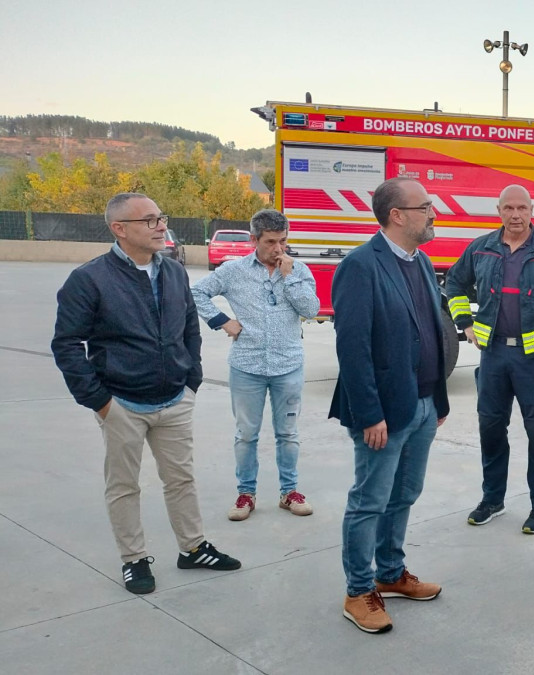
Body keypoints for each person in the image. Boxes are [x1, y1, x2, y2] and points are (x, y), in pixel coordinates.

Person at [51, 192, 241, 596]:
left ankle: (192, 548)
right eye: (149, 220)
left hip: (175, 398)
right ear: (119, 229)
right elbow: (67, 345)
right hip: (122, 403)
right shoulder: (89, 280)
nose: (161, 226)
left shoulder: (172, 272)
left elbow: (190, 323)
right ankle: (133, 559)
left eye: (161, 218)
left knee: (182, 479)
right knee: (124, 486)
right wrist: (100, 402)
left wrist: (192, 377)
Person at [330, 177, 450, 634]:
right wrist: (369, 414)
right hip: (383, 412)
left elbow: (431, 335)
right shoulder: (361, 266)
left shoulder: (420, 261)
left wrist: (436, 398)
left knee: (404, 494)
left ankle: (390, 573)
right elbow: (353, 348)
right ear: (397, 216)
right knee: (369, 501)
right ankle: (359, 590)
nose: (433, 212)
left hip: (421, 405)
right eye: (425, 206)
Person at [445, 185, 534, 534]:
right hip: (493, 356)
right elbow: (454, 283)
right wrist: (465, 324)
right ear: (498, 210)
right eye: (509, 208)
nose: (516, 215)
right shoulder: (482, 249)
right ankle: (492, 499)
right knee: (490, 430)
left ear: (532, 210)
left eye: (522, 208)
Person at [191, 209, 320, 521]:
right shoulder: (234, 270)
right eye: (271, 242)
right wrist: (223, 321)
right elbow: (196, 291)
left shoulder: (298, 270)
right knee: (246, 433)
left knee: (287, 433)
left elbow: (312, 309)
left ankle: (289, 491)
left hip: (287, 365)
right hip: (246, 365)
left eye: (283, 241)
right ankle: (245, 493)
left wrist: (289, 278)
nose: (278, 249)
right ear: (254, 240)